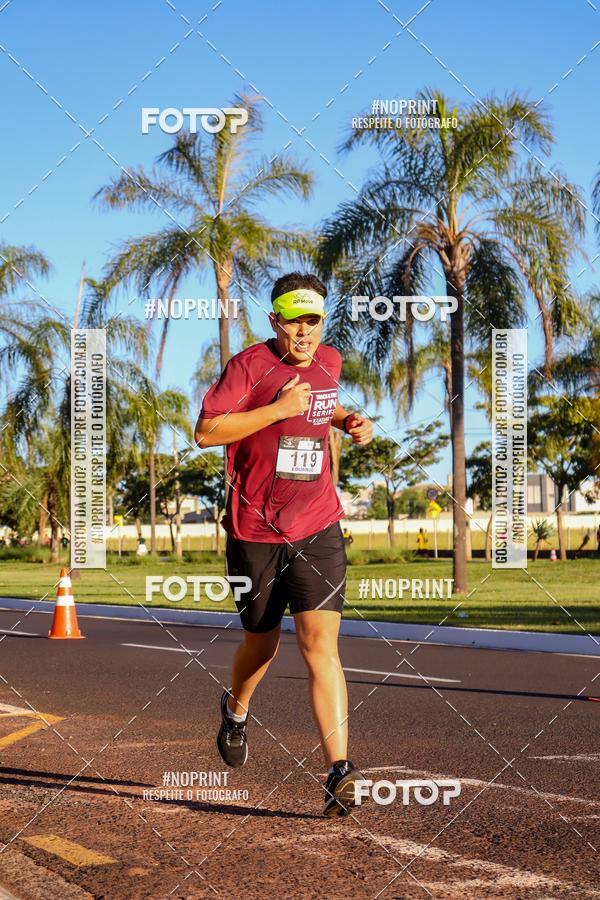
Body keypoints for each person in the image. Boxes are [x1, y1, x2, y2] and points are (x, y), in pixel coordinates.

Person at [195, 272, 373, 817]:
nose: (304, 330)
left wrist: (349, 420)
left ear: (323, 321)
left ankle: (338, 769)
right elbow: (205, 432)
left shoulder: (331, 363)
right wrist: (275, 409)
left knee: (321, 646)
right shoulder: (247, 367)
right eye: (294, 319)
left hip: (317, 524)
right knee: (263, 644)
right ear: (275, 320)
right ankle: (237, 707)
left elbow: (321, 410)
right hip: (254, 531)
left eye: (313, 319)